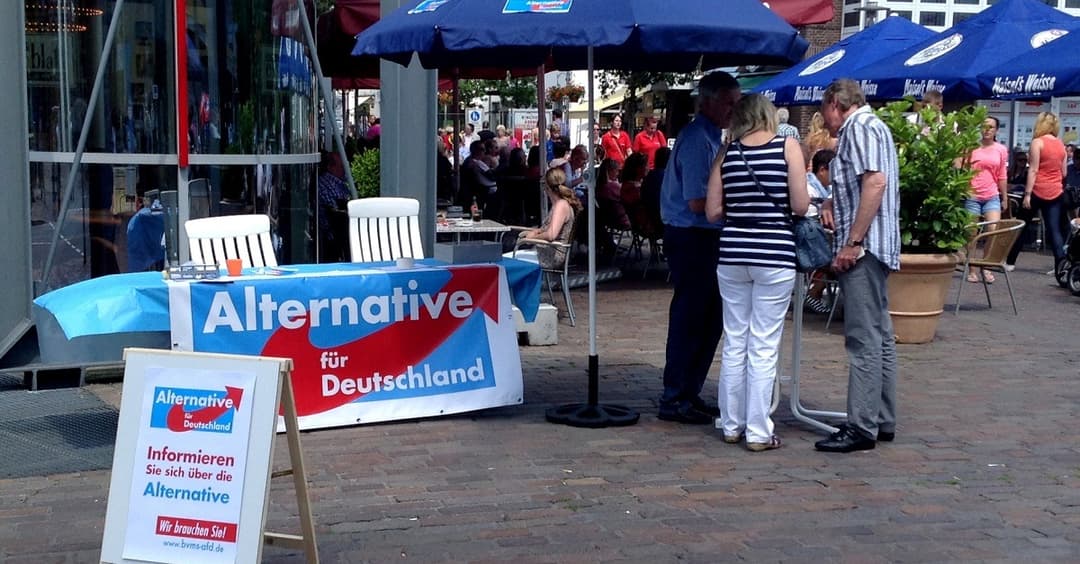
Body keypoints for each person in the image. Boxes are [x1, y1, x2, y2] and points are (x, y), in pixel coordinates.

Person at [705, 93, 808, 451]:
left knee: (735, 341)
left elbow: (712, 212)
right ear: (768, 116)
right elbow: (800, 204)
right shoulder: (788, 147)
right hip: (774, 254)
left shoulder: (726, 153)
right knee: (763, 344)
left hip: (733, 254)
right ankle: (759, 431)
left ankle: (731, 424)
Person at [814, 79, 900, 453]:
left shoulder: (859, 127)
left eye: (823, 113)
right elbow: (865, 181)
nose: (825, 122)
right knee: (879, 333)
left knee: (863, 337)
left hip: (864, 249)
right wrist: (834, 201)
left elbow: (875, 183)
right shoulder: (872, 126)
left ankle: (862, 425)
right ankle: (881, 418)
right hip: (876, 245)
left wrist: (853, 241)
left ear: (836, 103)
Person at [657, 70, 741, 424]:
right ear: (707, 101)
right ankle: (675, 396)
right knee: (692, 318)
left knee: (710, 320)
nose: (734, 111)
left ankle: (689, 391)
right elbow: (696, 201)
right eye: (729, 103)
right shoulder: (696, 140)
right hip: (692, 236)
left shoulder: (713, 139)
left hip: (705, 235)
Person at [963, 116, 1009, 284]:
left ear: (996, 130)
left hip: (992, 195)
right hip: (972, 195)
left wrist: (1004, 196)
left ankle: (986, 266)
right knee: (971, 233)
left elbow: (1002, 175)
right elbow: (963, 169)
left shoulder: (1001, 149)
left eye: (991, 127)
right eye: (984, 127)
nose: (987, 130)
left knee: (993, 229)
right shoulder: (971, 148)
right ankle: (973, 269)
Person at [510, 167, 582, 270]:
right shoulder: (559, 204)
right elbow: (551, 228)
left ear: (547, 186)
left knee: (506, 260)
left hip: (552, 256)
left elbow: (551, 234)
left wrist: (530, 239)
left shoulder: (560, 205)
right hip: (548, 252)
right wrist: (537, 231)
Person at [1023, 112, 1069, 270]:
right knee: (1054, 229)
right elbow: (1064, 173)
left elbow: (1033, 170)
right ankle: (1060, 264)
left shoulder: (1037, 142)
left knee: (1022, 225)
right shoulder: (1061, 144)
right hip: (1056, 191)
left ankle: (1009, 261)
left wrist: (1027, 194)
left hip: (1037, 189)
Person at [317, 151, 352, 262]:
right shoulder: (327, 185)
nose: (345, 169)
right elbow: (337, 213)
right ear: (331, 167)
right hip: (334, 237)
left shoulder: (339, 182)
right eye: (342, 166)